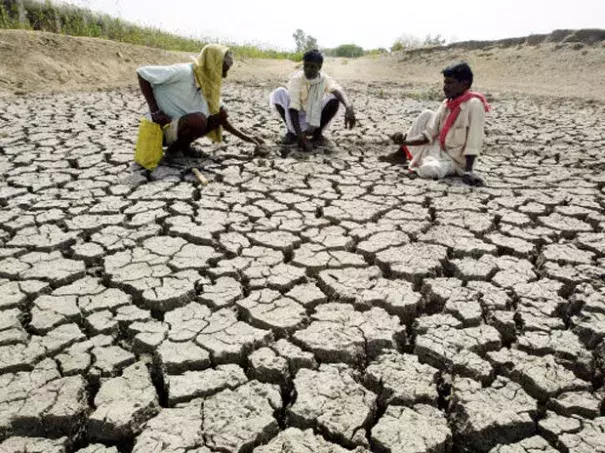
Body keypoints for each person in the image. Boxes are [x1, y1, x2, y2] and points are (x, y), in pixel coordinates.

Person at [136, 44, 262, 159]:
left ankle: (182, 147)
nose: (224, 76)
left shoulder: (209, 86)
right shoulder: (184, 72)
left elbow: (223, 120)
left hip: (179, 128)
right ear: (212, 65)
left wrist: (247, 138)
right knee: (199, 120)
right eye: (222, 70)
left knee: (221, 113)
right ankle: (173, 152)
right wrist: (155, 111)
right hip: (160, 128)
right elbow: (142, 74)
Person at [380, 62, 490, 186]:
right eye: (445, 83)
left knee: (430, 169)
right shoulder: (447, 103)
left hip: (456, 161)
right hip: (440, 149)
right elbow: (429, 134)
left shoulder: (474, 105)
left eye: (450, 83)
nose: (445, 87)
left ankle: (424, 164)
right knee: (427, 114)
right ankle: (401, 153)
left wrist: (468, 171)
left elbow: (473, 141)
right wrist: (405, 141)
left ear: (464, 84)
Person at [269, 49, 356, 152]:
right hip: (295, 117)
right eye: (306, 65)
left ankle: (317, 135)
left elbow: (337, 90)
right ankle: (291, 133)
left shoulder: (323, 79)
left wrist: (349, 107)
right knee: (279, 93)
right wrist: (302, 138)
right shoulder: (297, 79)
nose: (308, 69)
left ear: (319, 67)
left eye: (312, 67)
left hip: (314, 117)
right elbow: (293, 108)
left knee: (334, 99)